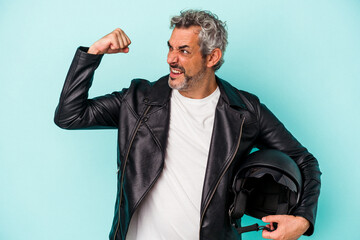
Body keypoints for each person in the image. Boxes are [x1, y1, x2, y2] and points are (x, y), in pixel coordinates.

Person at [54, 10, 321, 240]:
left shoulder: (246, 112)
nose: (171, 58)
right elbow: (70, 116)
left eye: (183, 51)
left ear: (212, 57)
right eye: (170, 47)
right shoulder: (138, 100)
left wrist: (302, 220)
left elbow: (304, 161)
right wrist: (93, 54)